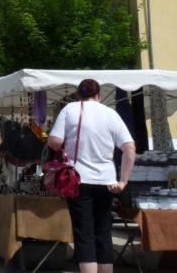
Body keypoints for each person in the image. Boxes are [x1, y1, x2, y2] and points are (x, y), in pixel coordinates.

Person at [48, 79, 136, 273]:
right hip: (107, 181)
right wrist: (123, 181)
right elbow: (129, 148)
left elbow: (55, 142)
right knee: (103, 233)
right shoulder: (110, 114)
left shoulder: (70, 109)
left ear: (78, 95)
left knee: (84, 234)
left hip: (78, 180)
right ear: (99, 95)